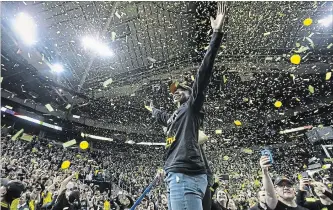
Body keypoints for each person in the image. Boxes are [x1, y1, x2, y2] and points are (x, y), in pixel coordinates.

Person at [144, 2, 227, 209]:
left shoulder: (191, 107)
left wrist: (216, 34)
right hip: (184, 176)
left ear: (191, 93)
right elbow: (163, 117)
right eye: (174, 91)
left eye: (180, 89)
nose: (175, 92)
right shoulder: (176, 116)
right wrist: (152, 110)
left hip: (184, 176)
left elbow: (203, 74)